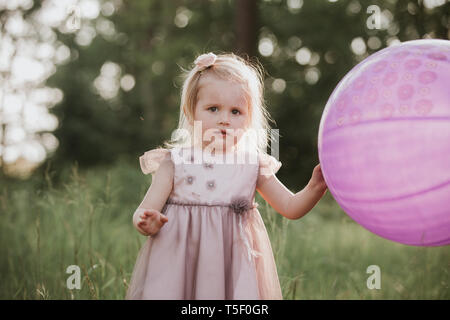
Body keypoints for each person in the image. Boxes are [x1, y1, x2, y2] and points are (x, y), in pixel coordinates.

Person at [125, 52, 328, 300]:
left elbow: (290, 207)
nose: (224, 120)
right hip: (178, 267)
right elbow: (143, 211)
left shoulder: (252, 165)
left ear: (248, 118)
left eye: (236, 112)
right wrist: (146, 221)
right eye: (213, 109)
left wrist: (315, 187)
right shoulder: (174, 163)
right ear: (191, 112)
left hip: (233, 269)